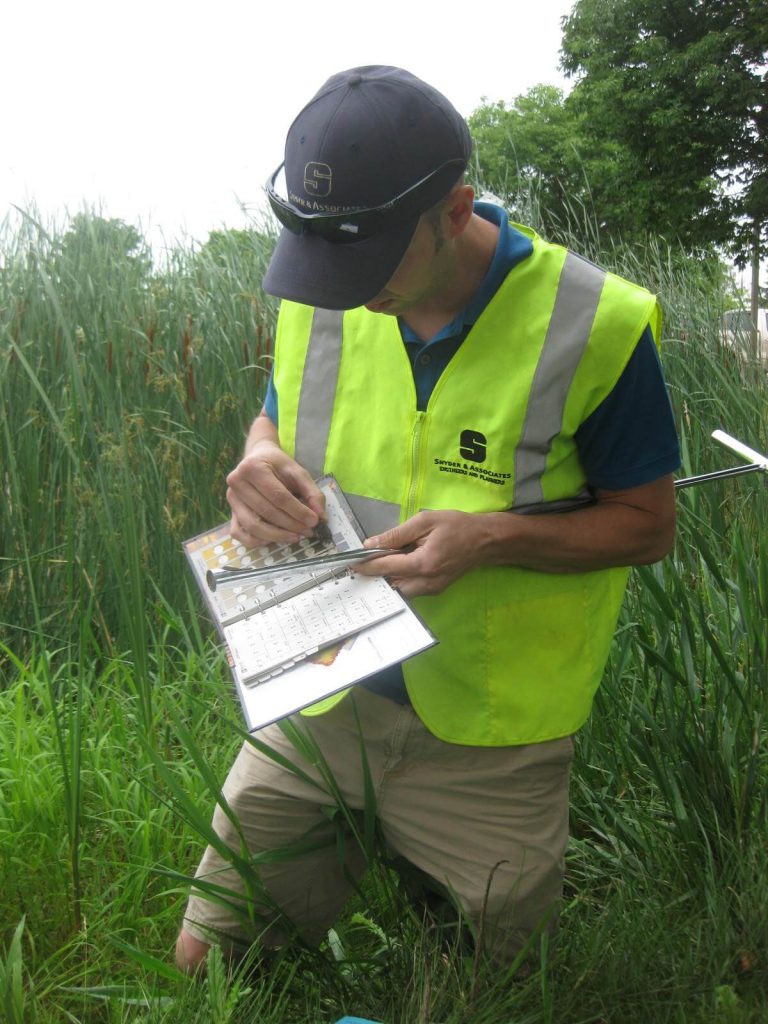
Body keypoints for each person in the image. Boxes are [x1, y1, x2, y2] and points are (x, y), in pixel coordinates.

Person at [176, 65, 680, 973]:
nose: (349, 289)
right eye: (328, 257)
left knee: (496, 984)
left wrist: (494, 538)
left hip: (491, 730)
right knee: (208, 963)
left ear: (454, 210)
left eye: (371, 259)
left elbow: (647, 524)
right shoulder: (326, 296)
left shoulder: (597, 323)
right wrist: (257, 457)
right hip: (321, 689)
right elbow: (277, 416)